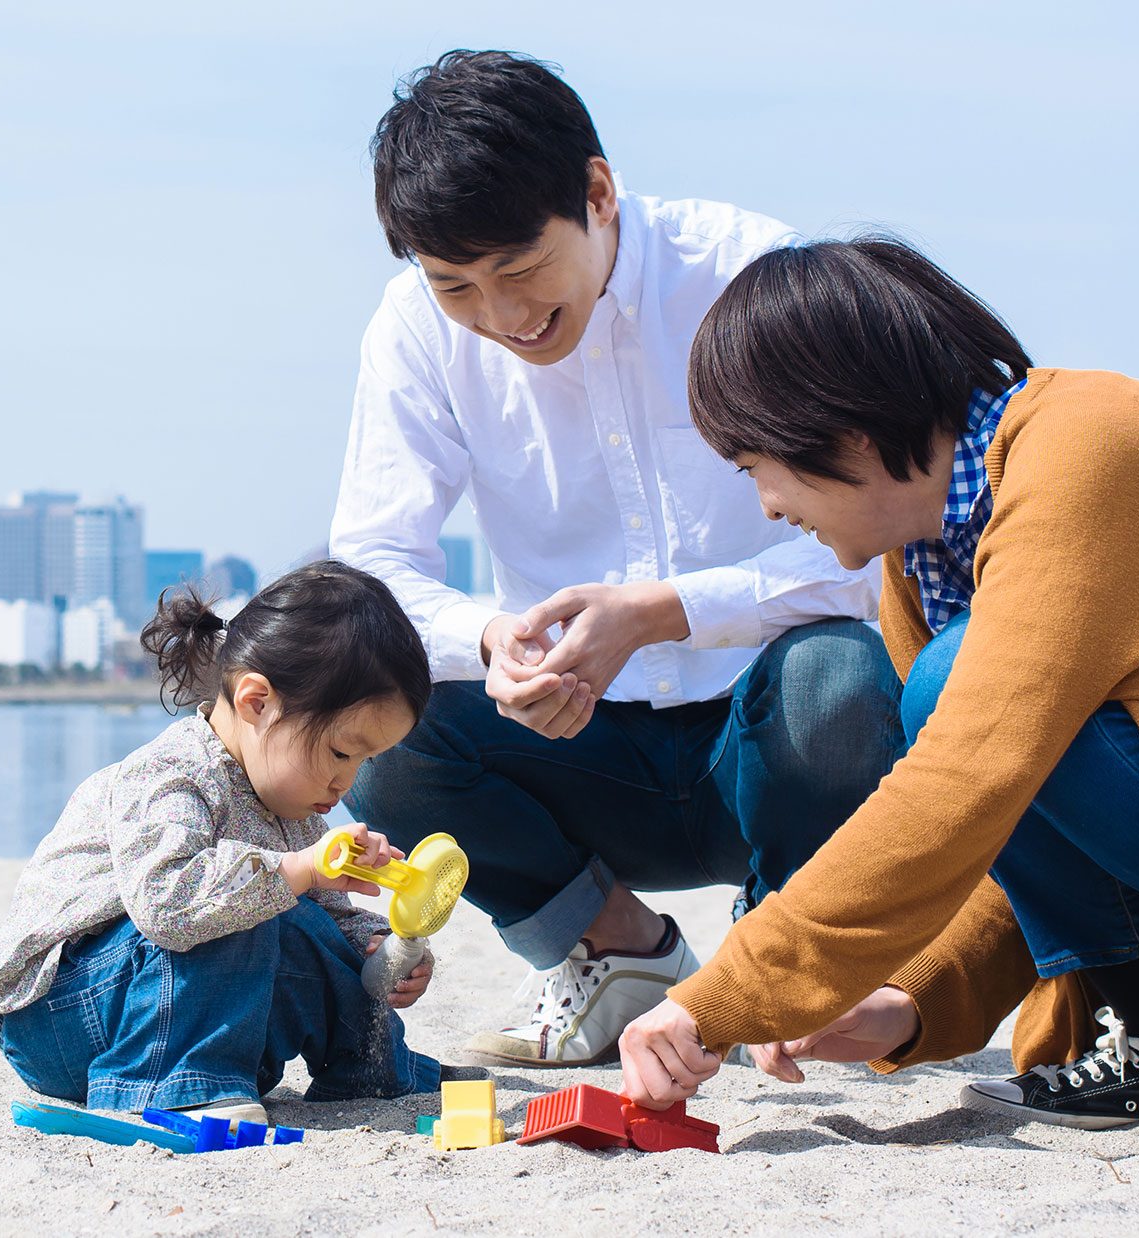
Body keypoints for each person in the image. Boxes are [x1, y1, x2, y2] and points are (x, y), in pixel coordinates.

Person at [614, 237, 1139, 1147]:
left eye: (756, 467)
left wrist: (723, 996)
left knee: (954, 687)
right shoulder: (929, 556)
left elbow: (967, 778)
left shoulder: (1089, 449)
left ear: (846, 434)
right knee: (957, 686)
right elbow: (1009, 806)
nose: (767, 507)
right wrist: (909, 1001)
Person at [331, 50, 903, 1068]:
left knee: (837, 676)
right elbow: (372, 569)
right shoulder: (414, 329)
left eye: (517, 269)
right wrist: (491, 635)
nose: (500, 316)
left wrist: (664, 609)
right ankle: (616, 950)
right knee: (382, 724)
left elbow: (879, 553)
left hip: (767, 742)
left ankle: (783, 963)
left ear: (597, 193)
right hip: (574, 744)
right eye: (455, 283)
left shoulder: (747, 276)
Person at [0, 561, 480, 1126]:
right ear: (256, 703)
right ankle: (179, 1085)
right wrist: (299, 870)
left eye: (366, 761)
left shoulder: (291, 805)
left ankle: (367, 1065)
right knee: (237, 902)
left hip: (171, 1006)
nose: (347, 782)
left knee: (296, 919)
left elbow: (323, 919)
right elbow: (168, 905)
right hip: (59, 1016)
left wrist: (379, 948)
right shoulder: (170, 774)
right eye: (341, 753)